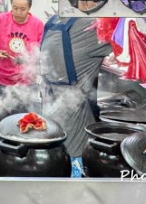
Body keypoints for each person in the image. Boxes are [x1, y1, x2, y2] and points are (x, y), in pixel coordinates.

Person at [39, 16, 112, 177]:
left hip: (49, 114)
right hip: (74, 130)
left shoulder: (54, 21)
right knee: (76, 182)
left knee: (55, 168)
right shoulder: (91, 26)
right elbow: (129, 44)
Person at [0, 0, 45, 103]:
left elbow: (43, 50)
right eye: (15, 8)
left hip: (25, 83)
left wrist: (31, 59)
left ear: (29, 8)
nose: (18, 12)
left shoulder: (37, 25)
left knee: (22, 119)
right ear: (11, 5)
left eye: (23, 9)